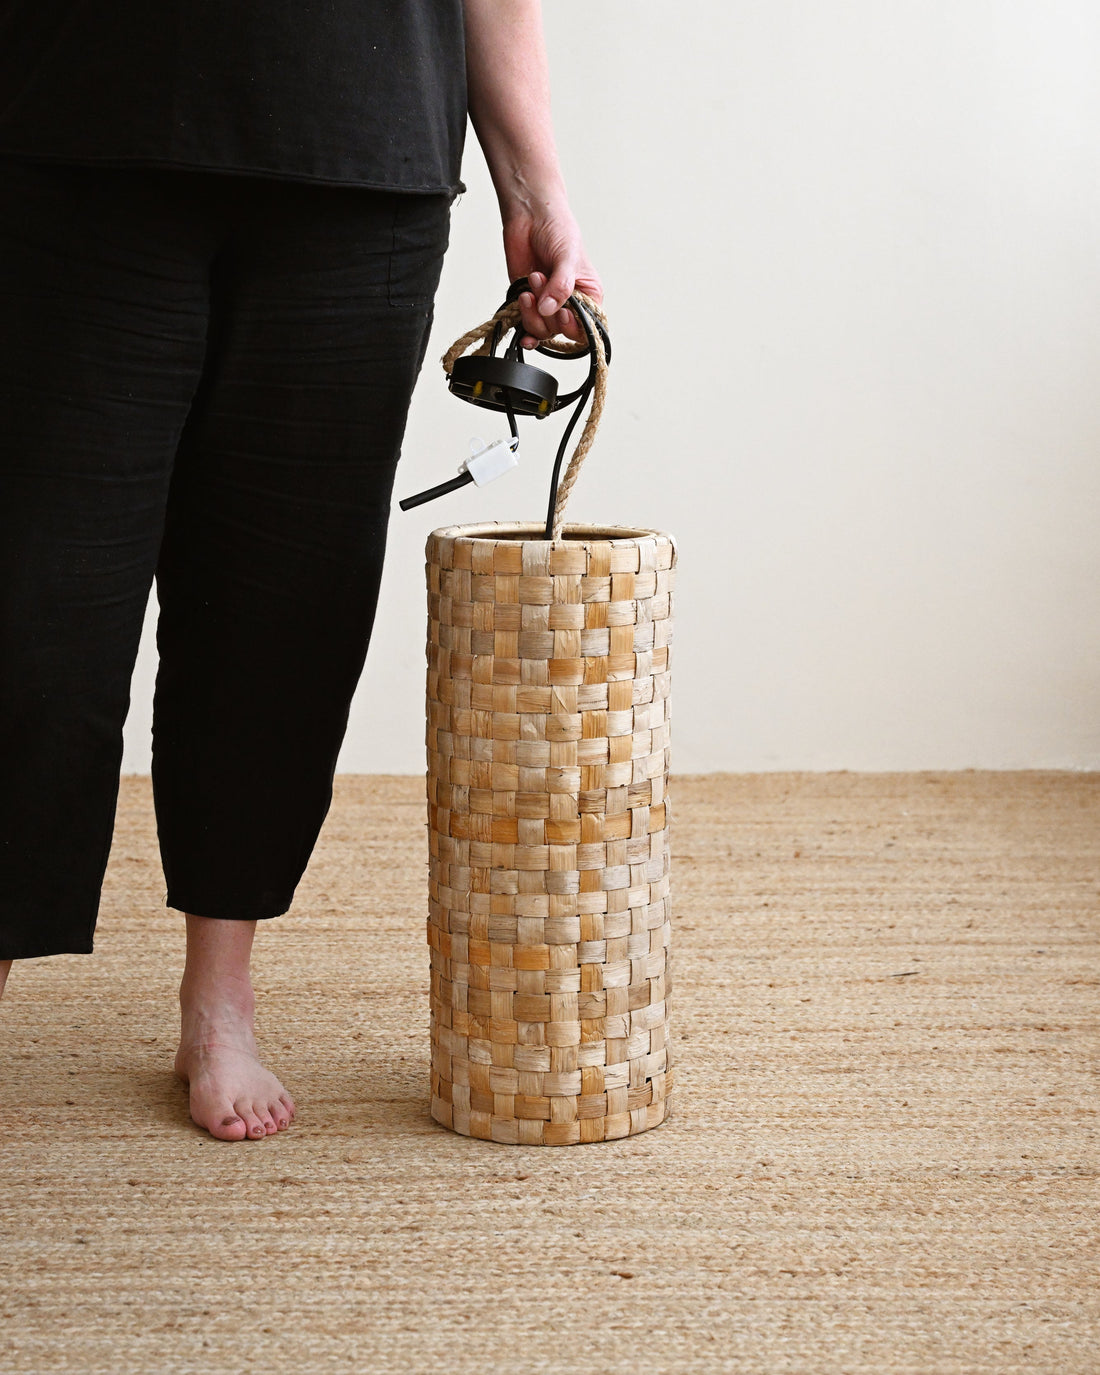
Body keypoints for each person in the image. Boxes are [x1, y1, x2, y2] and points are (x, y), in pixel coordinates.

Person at [0, 0, 602, 1141]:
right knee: (34, 610)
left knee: (280, 606)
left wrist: (532, 186)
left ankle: (219, 996)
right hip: (68, 129)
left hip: (357, 155)